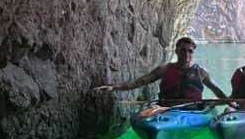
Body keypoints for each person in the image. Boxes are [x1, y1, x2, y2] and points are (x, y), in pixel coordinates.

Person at [94, 36, 227, 109]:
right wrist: (114, 87)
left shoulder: (201, 72)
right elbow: (139, 82)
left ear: (193, 53)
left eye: (190, 51)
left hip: (192, 110)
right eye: (183, 50)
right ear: (176, 51)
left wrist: (229, 102)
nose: (186, 54)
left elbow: (218, 92)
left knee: (212, 102)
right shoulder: (164, 69)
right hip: (166, 108)